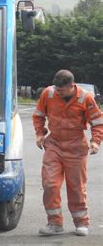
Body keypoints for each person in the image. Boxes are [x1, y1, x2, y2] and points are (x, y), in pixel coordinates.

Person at [33, 70, 103, 236]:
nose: (58, 92)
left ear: (72, 86)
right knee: (50, 184)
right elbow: (38, 115)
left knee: (76, 187)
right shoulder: (48, 94)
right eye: (57, 89)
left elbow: (97, 122)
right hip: (54, 145)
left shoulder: (85, 98)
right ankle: (54, 223)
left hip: (76, 147)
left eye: (62, 90)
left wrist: (95, 141)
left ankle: (81, 222)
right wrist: (40, 133)